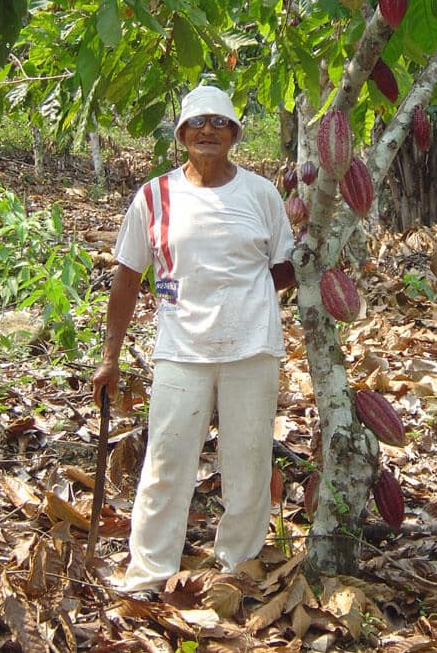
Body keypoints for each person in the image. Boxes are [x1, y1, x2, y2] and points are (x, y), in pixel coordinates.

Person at [92, 84, 295, 597]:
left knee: (248, 463)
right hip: (181, 350)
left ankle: (235, 567)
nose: (208, 130)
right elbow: (127, 276)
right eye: (198, 123)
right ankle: (149, 573)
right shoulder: (155, 195)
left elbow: (284, 268)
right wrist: (109, 358)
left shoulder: (261, 195)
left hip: (252, 348)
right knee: (166, 461)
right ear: (181, 135)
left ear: (234, 134)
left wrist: (242, 299)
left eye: (219, 123)